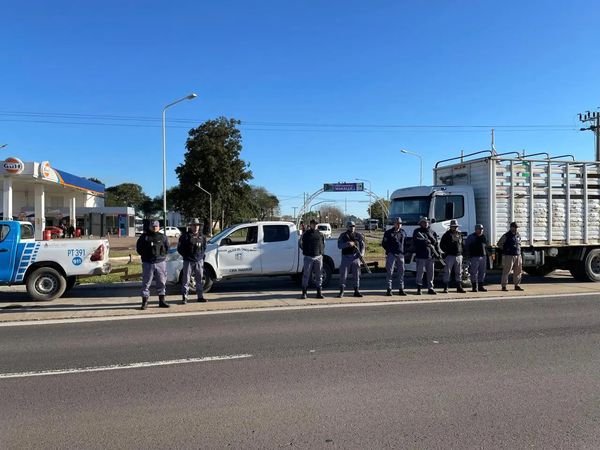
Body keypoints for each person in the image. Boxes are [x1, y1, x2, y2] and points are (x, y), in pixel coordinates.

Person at [136, 220, 170, 310]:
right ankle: (144, 302)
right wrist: (146, 256)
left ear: (159, 227)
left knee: (162, 282)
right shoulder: (144, 237)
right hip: (148, 263)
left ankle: (162, 301)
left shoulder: (163, 237)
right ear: (150, 227)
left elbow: (167, 248)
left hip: (160, 262)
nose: (155, 228)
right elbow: (139, 249)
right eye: (153, 226)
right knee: (146, 283)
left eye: (156, 226)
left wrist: (162, 257)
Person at [177, 218, 207, 304]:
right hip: (188, 261)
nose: (196, 227)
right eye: (194, 225)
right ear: (190, 226)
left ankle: (200, 296)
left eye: (197, 225)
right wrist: (186, 256)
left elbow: (204, 248)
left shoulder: (202, 237)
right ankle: (184, 297)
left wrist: (200, 257)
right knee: (186, 279)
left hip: (199, 261)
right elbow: (180, 249)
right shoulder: (185, 236)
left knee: (199, 279)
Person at [337, 221, 365, 298]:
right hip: (346, 257)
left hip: (355, 257)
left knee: (356, 275)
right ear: (347, 227)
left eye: (353, 226)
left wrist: (362, 254)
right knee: (343, 275)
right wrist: (347, 244)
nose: (352, 227)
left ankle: (356, 290)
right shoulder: (343, 235)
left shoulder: (358, 235)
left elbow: (362, 245)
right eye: (350, 226)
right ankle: (341, 291)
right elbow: (339, 245)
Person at [412, 217, 440, 295]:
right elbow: (416, 240)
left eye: (427, 222)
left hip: (430, 256)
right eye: (424, 222)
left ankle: (430, 288)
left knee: (431, 274)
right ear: (420, 223)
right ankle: (419, 289)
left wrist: (438, 253)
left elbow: (435, 243)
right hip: (420, 256)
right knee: (419, 274)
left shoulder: (432, 232)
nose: (425, 223)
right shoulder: (417, 231)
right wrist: (425, 241)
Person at [299, 219, 325, 299]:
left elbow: (323, 244)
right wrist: (306, 250)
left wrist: (321, 253)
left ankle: (319, 293)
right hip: (308, 257)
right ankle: (304, 293)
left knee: (319, 276)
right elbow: (300, 243)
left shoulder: (320, 234)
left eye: (316, 224)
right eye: (313, 224)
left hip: (318, 257)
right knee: (306, 275)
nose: (315, 225)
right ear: (310, 224)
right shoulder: (305, 234)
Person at [381, 217, 407, 296]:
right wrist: (389, 251)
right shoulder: (388, 233)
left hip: (400, 254)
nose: (399, 225)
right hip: (391, 254)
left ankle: (401, 289)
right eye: (397, 223)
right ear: (394, 224)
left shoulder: (403, 232)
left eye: (400, 224)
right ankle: (389, 289)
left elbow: (405, 243)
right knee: (390, 272)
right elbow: (384, 244)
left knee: (401, 272)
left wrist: (404, 251)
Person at [440, 219, 466, 293]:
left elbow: (462, 244)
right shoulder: (446, 235)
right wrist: (447, 251)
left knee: (459, 272)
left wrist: (462, 252)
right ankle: (446, 287)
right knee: (447, 272)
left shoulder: (460, 234)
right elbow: (442, 245)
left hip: (459, 255)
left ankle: (459, 287)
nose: (455, 228)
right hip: (450, 256)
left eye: (456, 226)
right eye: (453, 226)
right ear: (450, 227)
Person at [497, 221, 524, 291]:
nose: (516, 229)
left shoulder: (518, 235)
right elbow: (499, 244)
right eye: (515, 227)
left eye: (517, 228)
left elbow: (519, 243)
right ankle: (504, 286)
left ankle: (517, 285)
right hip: (509, 255)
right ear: (511, 227)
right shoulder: (506, 235)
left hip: (518, 255)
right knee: (507, 271)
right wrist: (506, 250)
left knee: (518, 271)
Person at [465, 224, 488, 292]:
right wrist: (468, 255)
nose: (481, 230)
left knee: (482, 272)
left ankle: (481, 286)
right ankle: (474, 287)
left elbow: (485, 246)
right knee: (474, 272)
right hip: (474, 256)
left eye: (482, 229)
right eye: (479, 229)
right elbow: (467, 246)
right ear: (476, 229)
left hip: (483, 256)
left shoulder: (483, 237)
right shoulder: (471, 237)